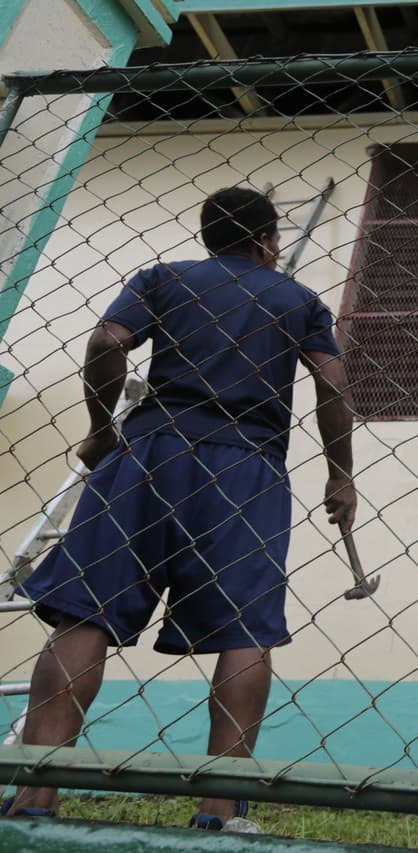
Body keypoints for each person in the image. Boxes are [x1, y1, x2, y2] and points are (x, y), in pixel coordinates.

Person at [4, 187, 356, 832]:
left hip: (147, 453)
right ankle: (220, 807)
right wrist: (341, 475)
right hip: (244, 468)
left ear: (208, 239)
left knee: (85, 615)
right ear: (267, 240)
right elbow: (332, 382)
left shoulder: (163, 279)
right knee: (245, 629)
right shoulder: (298, 299)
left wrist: (102, 429)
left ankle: (35, 794)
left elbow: (107, 342)